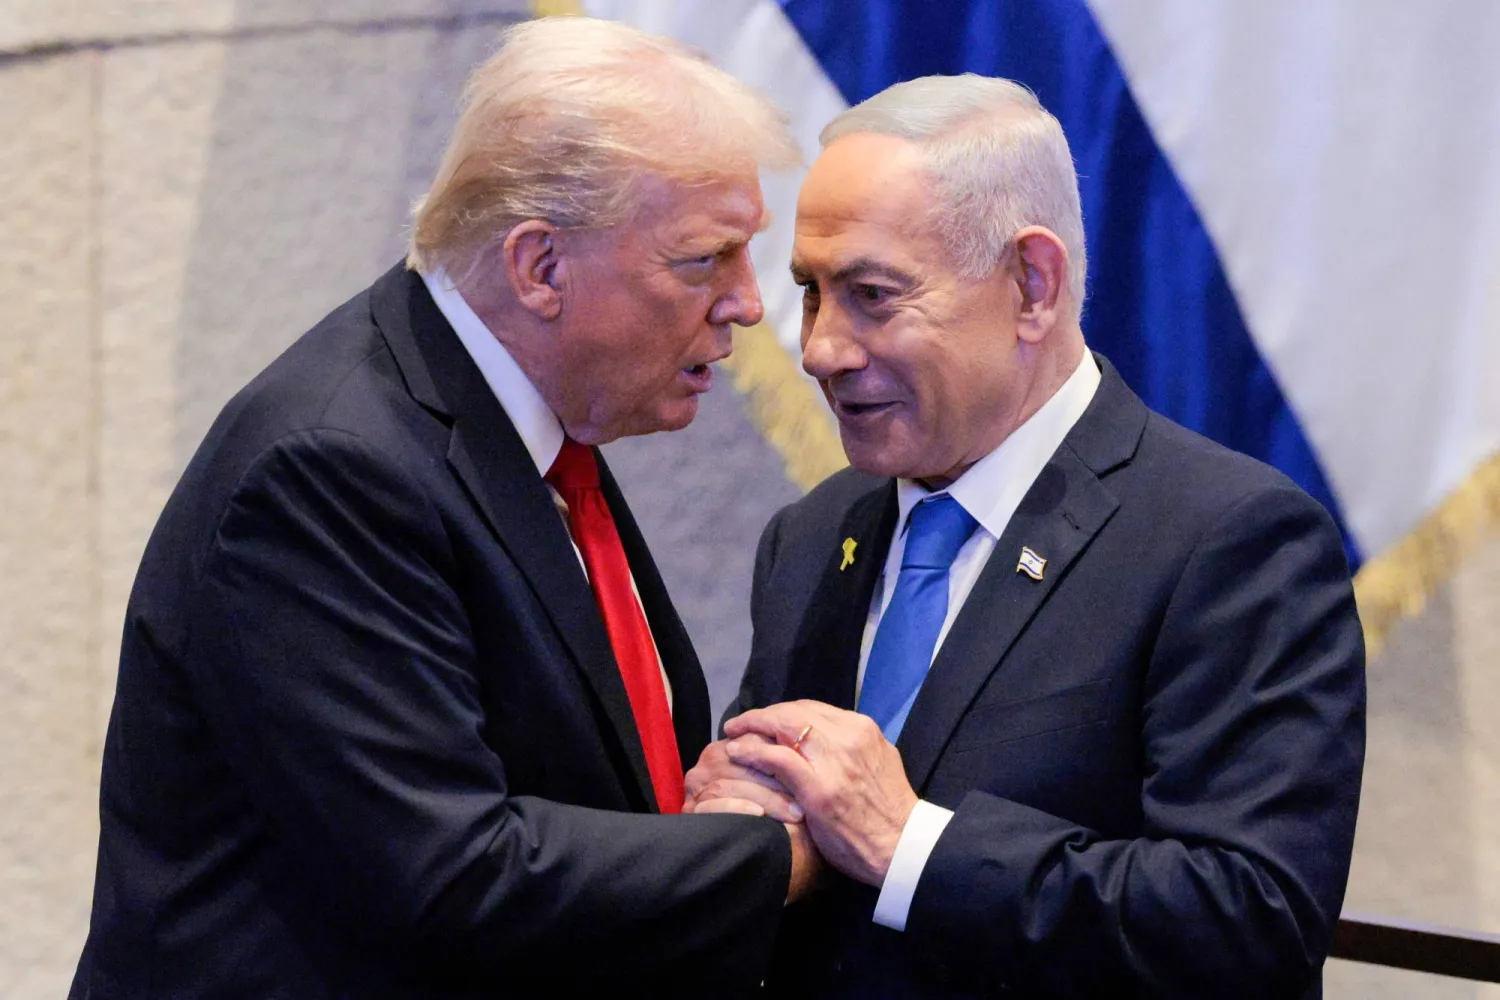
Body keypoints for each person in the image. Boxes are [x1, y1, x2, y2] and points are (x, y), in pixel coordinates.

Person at [70, 17, 816, 999]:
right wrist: (781, 852)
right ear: (539, 267)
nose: (746, 304)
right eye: (702, 260)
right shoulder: (330, 470)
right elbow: (456, 872)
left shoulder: (530, 429)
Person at [685, 74, 1365, 999]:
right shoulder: (811, 538)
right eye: (811, 293)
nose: (822, 349)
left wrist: (908, 843)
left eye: (872, 295)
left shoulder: (1228, 543)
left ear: (1031, 286)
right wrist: (742, 828)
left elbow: (1249, 923)